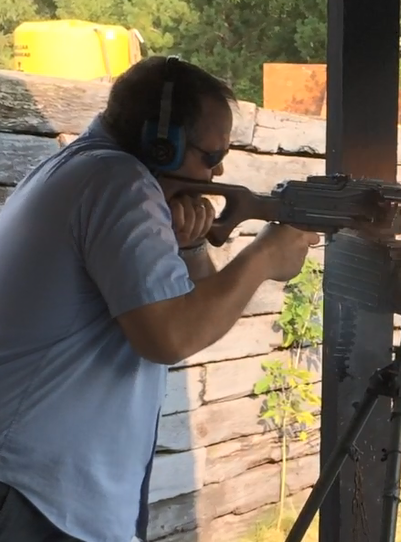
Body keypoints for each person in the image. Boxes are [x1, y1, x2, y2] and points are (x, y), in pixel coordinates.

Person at [0, 56, 319, 542]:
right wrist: (262, 258)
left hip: (39, 485)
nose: (218, 171)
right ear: (161, 143)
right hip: (37, 495)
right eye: (210, 156)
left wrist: (190, 247)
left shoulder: (79, 167)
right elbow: (170, 337)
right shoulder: (119, 183)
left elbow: (195, 312)